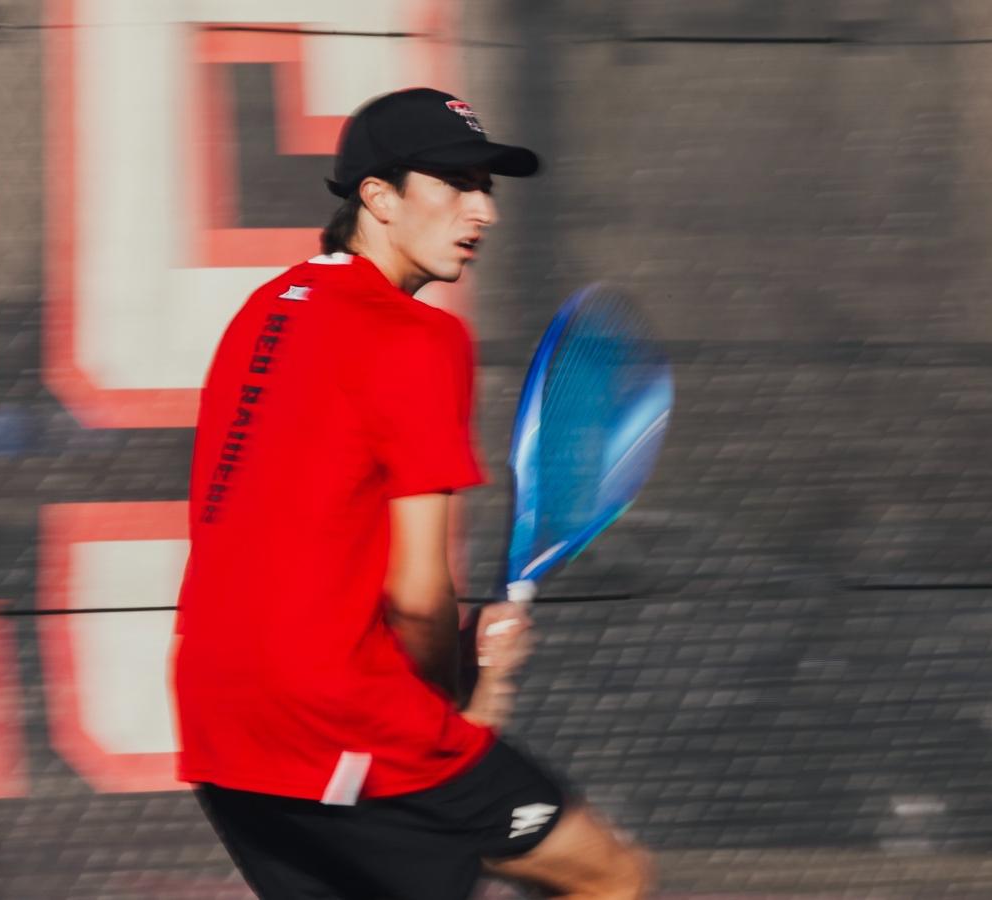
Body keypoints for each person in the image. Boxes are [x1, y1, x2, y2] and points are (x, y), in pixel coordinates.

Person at [174, 87, 652, 900]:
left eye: (487, 186)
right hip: (340, 715)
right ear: (379, 197)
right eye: (455, 183)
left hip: (219, 719)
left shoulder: (262, 313)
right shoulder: (420, 337)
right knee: (610, 877)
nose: (483, 210)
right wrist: (460, 699)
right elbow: (417, 592)